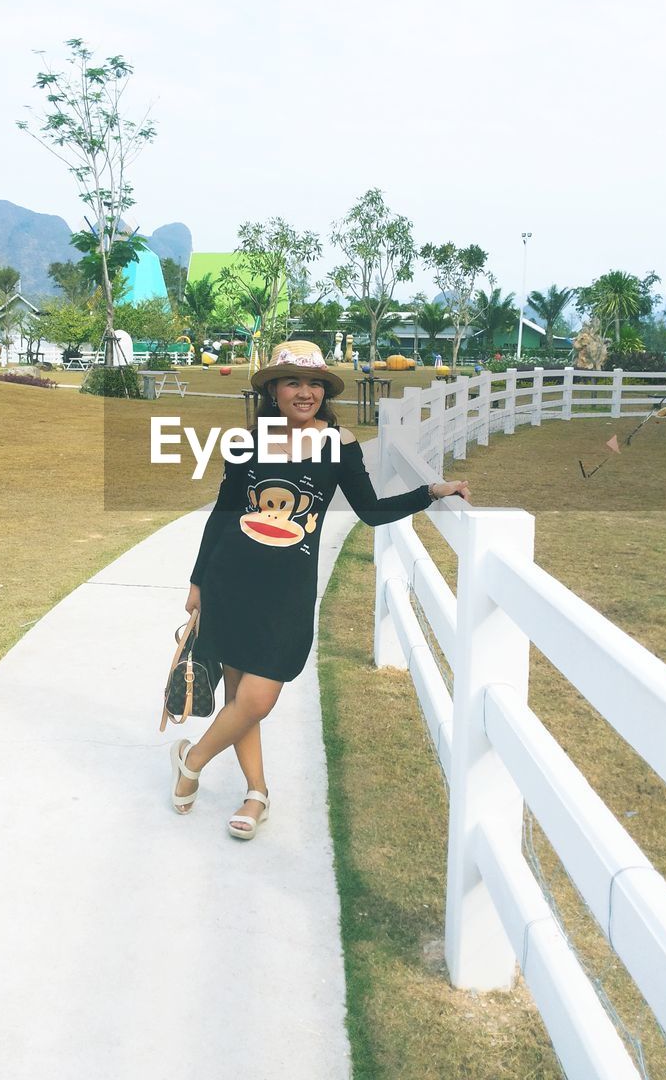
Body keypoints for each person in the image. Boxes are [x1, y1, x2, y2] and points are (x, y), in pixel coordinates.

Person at [170, 340, 470, 838]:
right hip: (231, 581)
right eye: (292, 381)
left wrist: (430, 492)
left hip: (288, 592)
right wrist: (198, 580)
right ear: (273, 389)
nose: (304, 392)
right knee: (239, 696)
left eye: (313, 383)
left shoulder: (340, 443)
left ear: (323, 392)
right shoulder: (248, 442)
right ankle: (256, 794)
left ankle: (191, 759)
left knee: (258, 698)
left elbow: (370, 509)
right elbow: (223, 514)